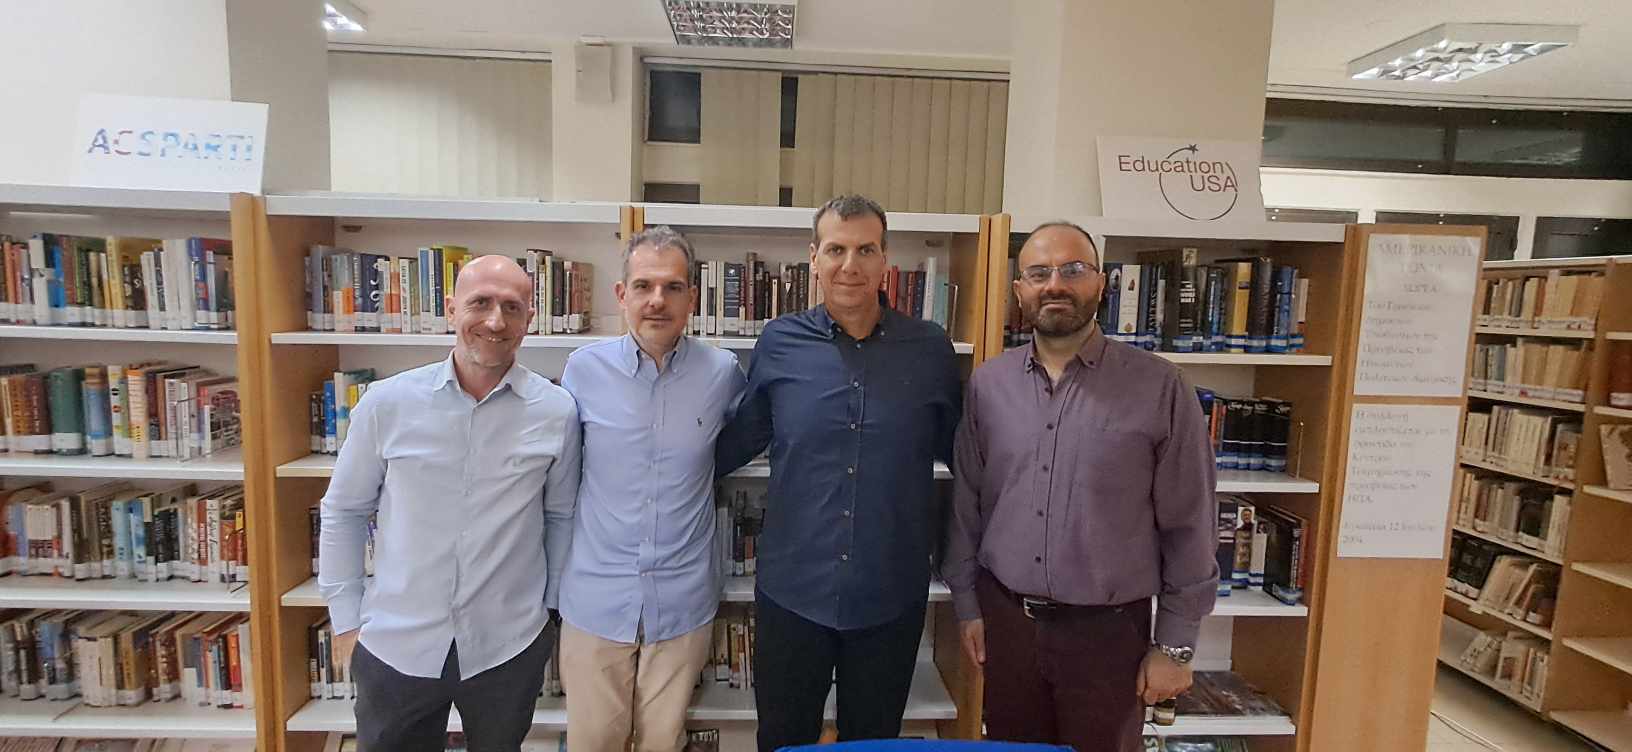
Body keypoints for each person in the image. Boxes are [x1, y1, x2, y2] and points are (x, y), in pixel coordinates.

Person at [943, 221, 1219, 752]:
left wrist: (1176, 646)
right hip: (1008, 626)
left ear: (1101, 283)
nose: (1055, 284)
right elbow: (967, 505)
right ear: (1019, 289)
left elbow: (1190, 523)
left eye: (1073, 270)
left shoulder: (1159, 387)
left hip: (1110, 637)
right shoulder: (988, 385)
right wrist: (968, 606)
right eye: (1039, 273)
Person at [716, 194, 962, 752]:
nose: (850, 265)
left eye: (865, 250)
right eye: (836, 250)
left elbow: (966, 458)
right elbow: (739, 440)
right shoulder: (779, 342)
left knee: (873, 742)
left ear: (884, 260)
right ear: (814, 258)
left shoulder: (929, 349)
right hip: (793, 592)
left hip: (890, 594)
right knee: (783, 741)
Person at [319, 255, 581, 752]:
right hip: (396, 643)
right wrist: (346, 621)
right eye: (480, 303)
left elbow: (560, 516)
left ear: (529, 318)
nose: (495, 321)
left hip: (509, 645)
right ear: (450, 309)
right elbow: (344, 511)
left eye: (512, 307)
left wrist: (549, 612)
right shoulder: (386, 403)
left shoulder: (556, 411)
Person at [558, 227, 746, 752]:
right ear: (622, 294)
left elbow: (738, 444)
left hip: (682, 601)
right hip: (596, 600)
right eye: (643, 286)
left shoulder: (723, 372)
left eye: (672, 287)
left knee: (663, 743)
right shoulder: (583, 371)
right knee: (593, 743)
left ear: (692, 297)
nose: (657, 300)